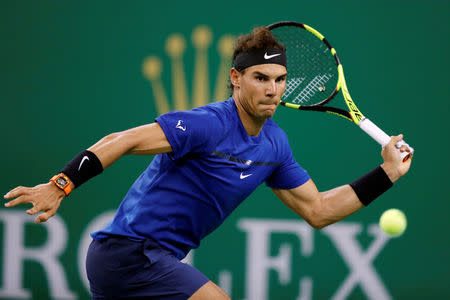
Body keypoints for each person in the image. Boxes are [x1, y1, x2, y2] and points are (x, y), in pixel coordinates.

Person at [3, 27, 412, 300]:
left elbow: (319, 210)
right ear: (236, 78)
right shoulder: (205, 124)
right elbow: (122, 141)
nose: (272, 89)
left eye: (279, 79)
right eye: (260, 78)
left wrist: (387, 174)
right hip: (129, 254)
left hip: (156, 261)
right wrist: (61, 184)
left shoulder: (275, 146)